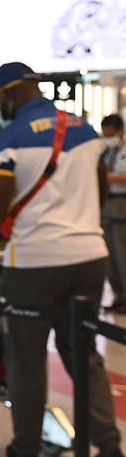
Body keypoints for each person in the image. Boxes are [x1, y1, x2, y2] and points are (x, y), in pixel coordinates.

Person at [0, 63, 126, 457]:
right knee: (86, 361)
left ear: (8, 95)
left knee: (26, 365)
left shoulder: (9, 138)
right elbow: (97, 192)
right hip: (89, 257)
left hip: (35, 262)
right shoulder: (84, 130)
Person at [100, 113, 126, 313]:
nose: (107, 137)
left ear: (120, 131)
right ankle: (118, 295)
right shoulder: (108, 151)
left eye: (110, 134)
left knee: (122, 252)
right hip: (106, 203)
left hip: (121, 203)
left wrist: (109, 178)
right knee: (110, 254)